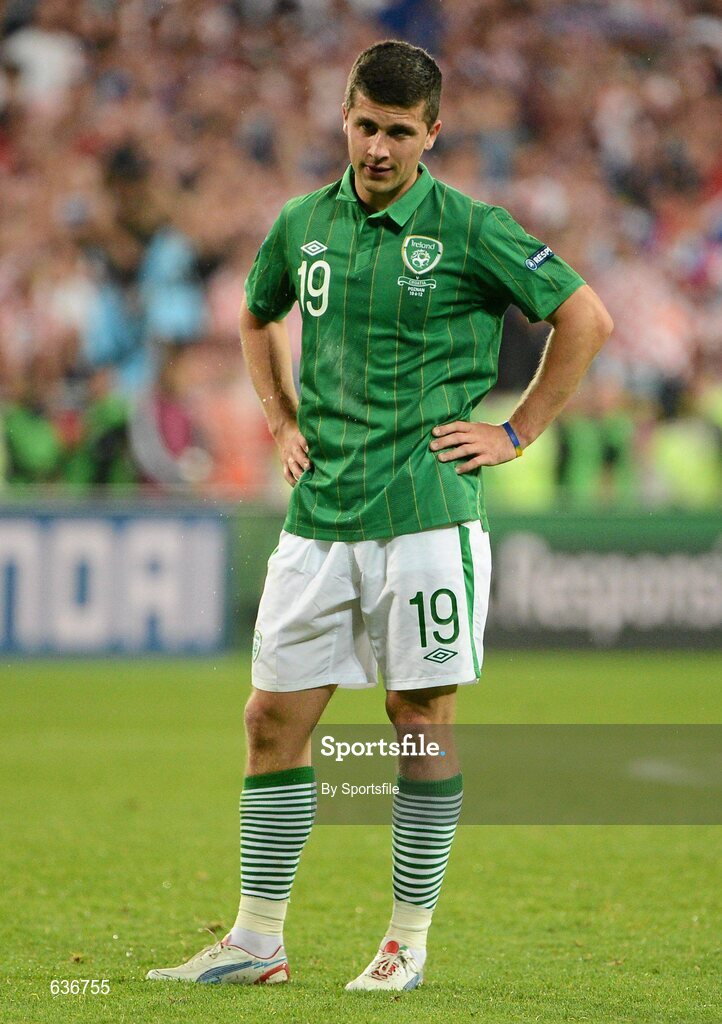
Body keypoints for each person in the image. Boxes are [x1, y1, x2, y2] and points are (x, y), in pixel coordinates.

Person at [146, 39, 613, 992]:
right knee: (272, 717)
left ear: (433, 134)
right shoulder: (302, 223)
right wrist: (280, 418)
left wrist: (515, 434)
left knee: (419, 718)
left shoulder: (475, 229)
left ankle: (407, 940)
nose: (379, 148)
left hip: (426, 516)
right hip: (321, 514)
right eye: (366, 126)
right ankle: (256, 941)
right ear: (344, 120)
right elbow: (254, 314)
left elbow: (586, 318)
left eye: (401, 131)